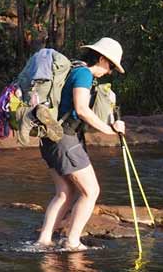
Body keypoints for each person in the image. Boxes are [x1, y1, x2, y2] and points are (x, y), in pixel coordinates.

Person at [35, 38, 128, 251]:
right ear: (102, 58)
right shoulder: (84, 74)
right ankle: (72, 241)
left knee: (64, 192)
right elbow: (82, 109)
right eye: (111, 65)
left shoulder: (75, 70)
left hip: (51, 138)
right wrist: (109, 130)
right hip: (65, 139)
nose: (111, 71)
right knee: (91, 191)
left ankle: (44, 241)